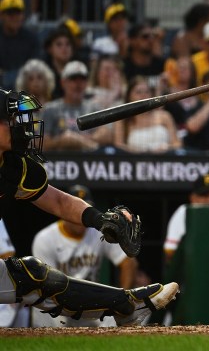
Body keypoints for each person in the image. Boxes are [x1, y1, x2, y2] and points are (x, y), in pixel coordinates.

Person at [0, 88, 178, 326]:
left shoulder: (13, 167)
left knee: (31, 276)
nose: (20, 126)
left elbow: (59, 201)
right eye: (10, 120)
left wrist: (100, 219)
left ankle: (125, 305)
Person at [31, 184, 139, 327]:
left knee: (113, 316)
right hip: (56, 303)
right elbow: (47, 284)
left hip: (91, 300)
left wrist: (122, 298)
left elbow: (129, 264)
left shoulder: (98, 233)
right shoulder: (45, 238)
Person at [42, 61, 111, 152]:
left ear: (86, 83)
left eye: (82, 79)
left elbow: (107, 135)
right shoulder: (50, 109)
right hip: (59, 160)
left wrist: (78, 140)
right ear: (63, 82)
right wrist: (60, 141)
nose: (78, 84)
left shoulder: (94, 107)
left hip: (88, 160)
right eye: (73, 79)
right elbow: (41, 143)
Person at [113, 77, 181, 154]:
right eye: (138, 92)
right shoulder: (123, 120)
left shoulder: (164, 116)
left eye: (147, 92)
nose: (143, 95)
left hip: (164, 160)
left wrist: (167, 148)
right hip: (135, 161)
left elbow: (177, 144)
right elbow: (118, 146)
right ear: (129, 96)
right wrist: (138, 152)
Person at [0, 0, 40, 89]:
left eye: (17, 13)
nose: (14, 18)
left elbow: (35, 64)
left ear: (23, 15)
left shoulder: (31, 38)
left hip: (24, 85)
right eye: (10, 14)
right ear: (1, 16)